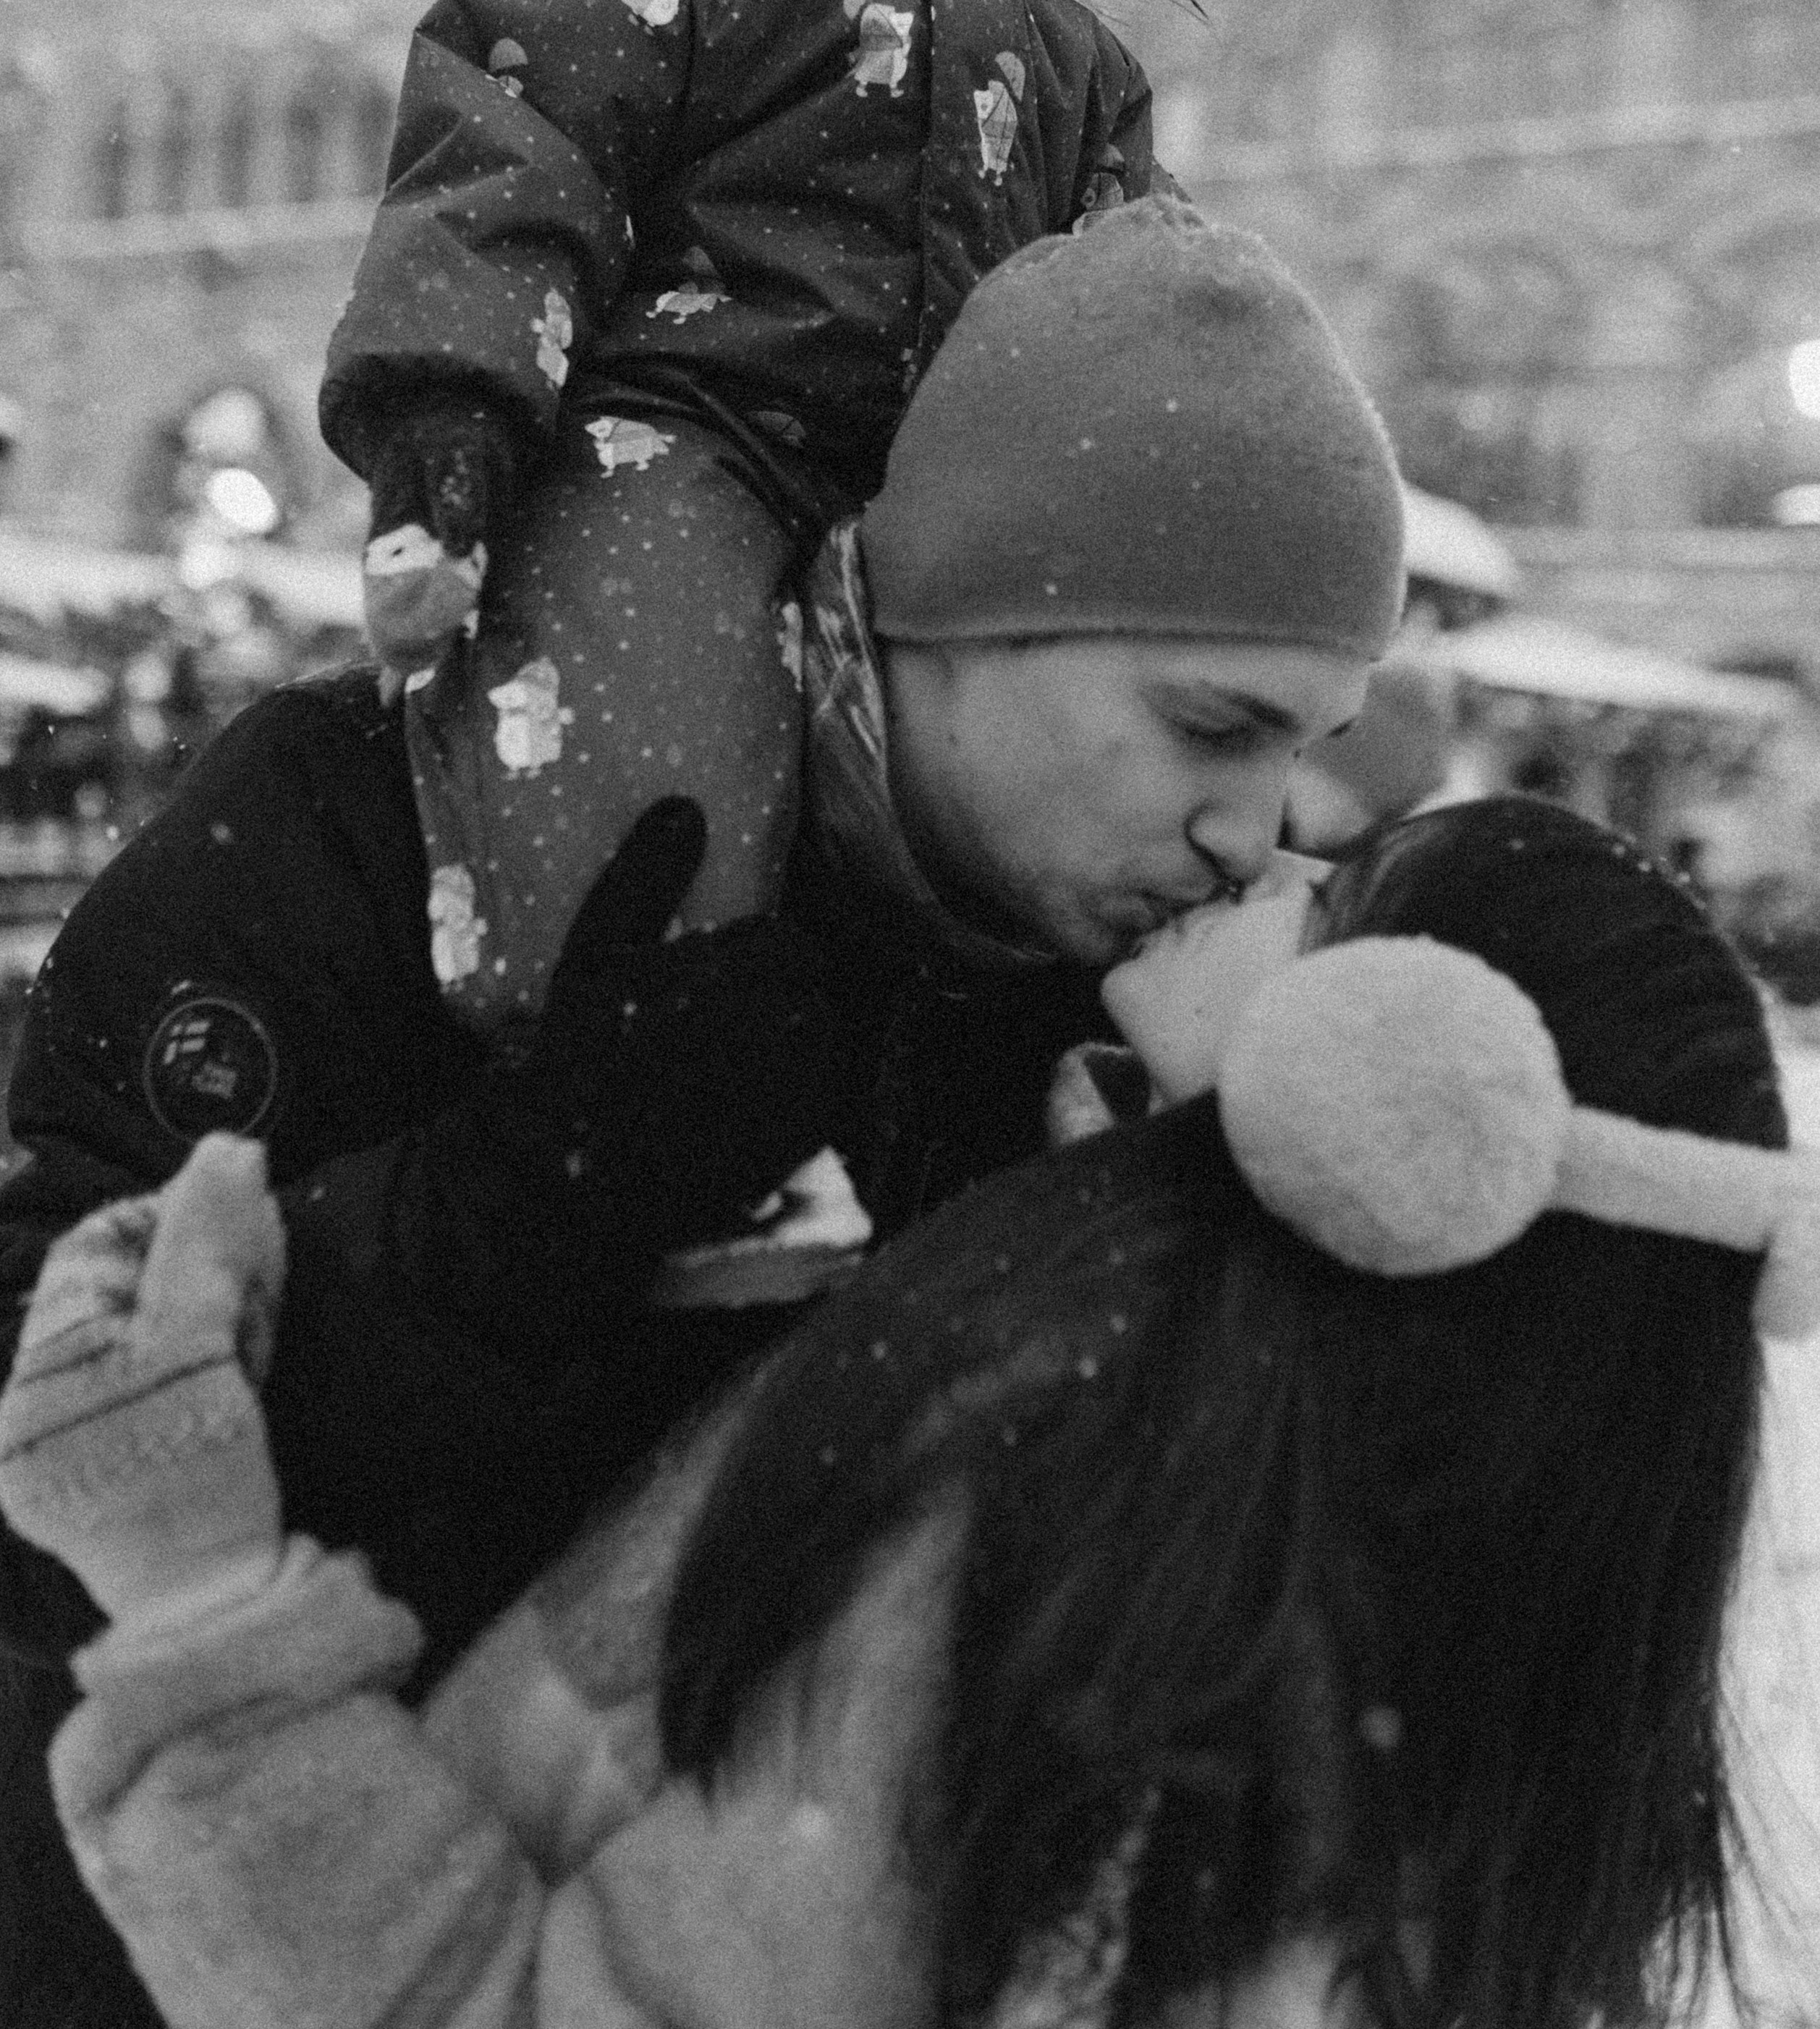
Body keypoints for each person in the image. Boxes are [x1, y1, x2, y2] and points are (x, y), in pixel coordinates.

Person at [0, 203, 1406, 2029]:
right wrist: (488, 1225)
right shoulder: (380, 807)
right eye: (1214, 721)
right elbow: (37, 1464)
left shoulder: (1107, 1037)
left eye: (1308, 747)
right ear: (949, 620)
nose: (1257, 823)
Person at [2, 794, 1810, 2028]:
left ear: (1401, 1085)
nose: (1258, 848)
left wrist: (195, 1594)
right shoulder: (1390, 1592)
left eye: (1332, 896)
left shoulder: (1088, 1548)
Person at [328, 0, 1181, 1033]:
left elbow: (1138, 295)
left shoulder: (1073, 58)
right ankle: (630, 1059)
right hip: (686, 433)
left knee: (1019, 794)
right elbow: (504, 182)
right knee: (646, 718)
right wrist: (447, 438)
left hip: (935, 495)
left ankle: (1006, 1074)